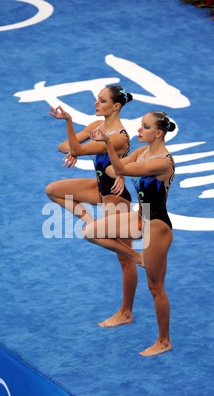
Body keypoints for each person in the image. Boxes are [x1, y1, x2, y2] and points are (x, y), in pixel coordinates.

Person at [83, 111, 176, 356]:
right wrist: (123, 172)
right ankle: (136, 257)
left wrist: (107, 146)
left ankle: (164, 341)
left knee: (155, 286)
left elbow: (119, 167)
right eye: (140, 125)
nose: (139, 130)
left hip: (157, 226)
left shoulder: (163, 161)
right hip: (140, 217)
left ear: (158, 133)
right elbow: (115, 171)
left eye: (144, 127)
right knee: (91, 231)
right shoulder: (144, 153)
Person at [46, 85, 138, 327]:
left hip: (116, 198)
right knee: (54, 191)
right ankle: (92, 223)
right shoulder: (96, 127)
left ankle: (126, 311)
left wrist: (68, 121)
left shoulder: (118, 136)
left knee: (124, 260)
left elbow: (74, 147)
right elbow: (64, 147)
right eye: (97, 99)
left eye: (102, 100)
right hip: (99, 188)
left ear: (116, 106)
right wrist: (77, 149)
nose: (96, 104)